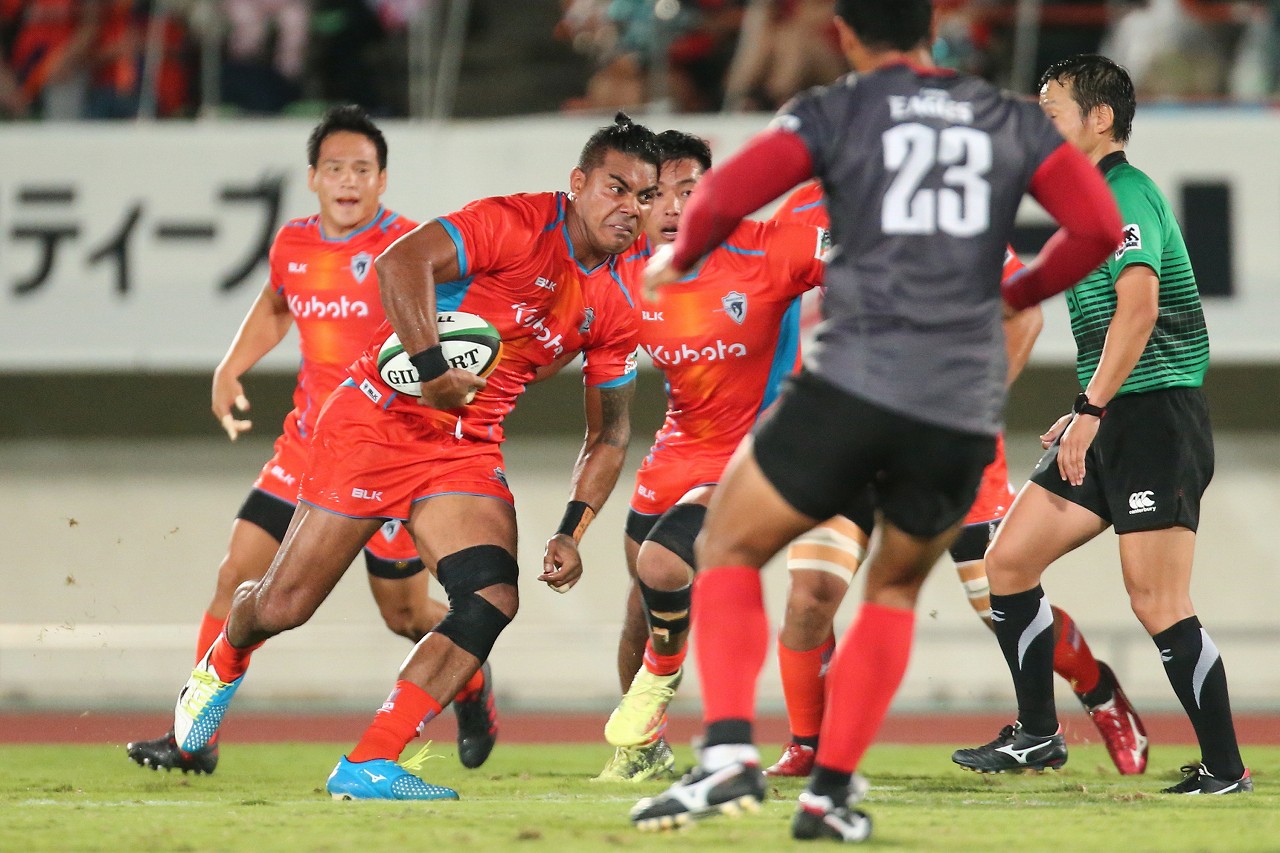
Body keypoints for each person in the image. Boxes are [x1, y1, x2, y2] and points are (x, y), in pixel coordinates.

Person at [628, 0, 1123, 841]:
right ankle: (829, 795)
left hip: (856, 379)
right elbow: (1098, 228)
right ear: (932, 28)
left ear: (845, 35)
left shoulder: (839, 108)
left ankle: (728, 753)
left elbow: (728, 192)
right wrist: (1017, 291)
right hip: (957, 407)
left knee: (728, 544)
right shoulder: (1007, 118)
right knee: (893, 590)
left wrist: (681, 252)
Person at [165, 113, 660, 801]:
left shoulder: (621, 297)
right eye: (616, 188)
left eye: (644, 196)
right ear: (578, 183)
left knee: (491, 596)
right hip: (377, 420)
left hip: (463, 449)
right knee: (283, 603)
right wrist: (432, 371)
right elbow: (401, 262)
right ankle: (221, 663)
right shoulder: (514, 223)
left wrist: (572, 529)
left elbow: (609, 435)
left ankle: (370, 759)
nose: (630, 208)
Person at [125, 105, 501, 776]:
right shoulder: (293, 244)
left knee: (404, 613)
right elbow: (278, 304)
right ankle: (193, 734)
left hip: (388, 451)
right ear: (313, 178)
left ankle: (470, 683)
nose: (347, 180)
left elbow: (462, 327)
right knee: (235, 577)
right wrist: (230, 367)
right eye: (335, 168)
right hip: (305, 447)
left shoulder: (411, 250)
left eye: (362, 169)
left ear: (382, 180)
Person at [764, 183, 1148, 780]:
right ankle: (807, 744)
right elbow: (765, 298)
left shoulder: (949, 197)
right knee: (810, 592)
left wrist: (970, 407)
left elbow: (1024, 315)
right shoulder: (803, 208)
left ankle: (1101, 693)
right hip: (849, 436)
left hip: (944, 439)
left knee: (999, 602)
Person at [952, 54, 1250, 796]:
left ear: (1100, 118)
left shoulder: (1128, 193)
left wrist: (1093, 407)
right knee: (1007, 562)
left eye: (1051, 111)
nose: (1040, 126)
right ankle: (1038, 734)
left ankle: (1225, 769)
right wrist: (1090, 403)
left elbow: (1139, 310)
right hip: (1113, 413)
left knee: (1157, 602)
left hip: (1158, 422)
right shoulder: (1086, 204)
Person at [593, 130, 845, 784]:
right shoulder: (622, 269)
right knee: (644, 600)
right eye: (658, 193)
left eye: (691, 190)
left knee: (684, 568)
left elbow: (861, 262)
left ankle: (781, 733)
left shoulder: (768, 247)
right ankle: (644, 745)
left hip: (760, 453)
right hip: (678, 452)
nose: (674, 206)